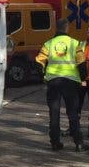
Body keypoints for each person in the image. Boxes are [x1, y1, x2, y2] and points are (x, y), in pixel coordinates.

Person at [35, 19, 85, 151]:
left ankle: (55, 143)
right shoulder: (75, 43)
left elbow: (39, 62)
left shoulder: (48, 44)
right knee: (73, 113)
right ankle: (78, 142)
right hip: (70, 81)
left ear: (56, 28)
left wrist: (43, 77)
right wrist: (83, 79)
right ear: (67, 28)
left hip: (53, 82)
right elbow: (82, 64)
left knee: (54, 113)